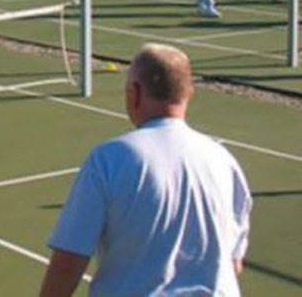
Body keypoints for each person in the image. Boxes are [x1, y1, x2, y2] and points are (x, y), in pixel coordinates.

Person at [40, 43, 251, 297]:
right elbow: (233, 263)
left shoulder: (109, 159)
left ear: (135, 93)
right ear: (188, 94)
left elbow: (68, 261)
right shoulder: (224, 161)